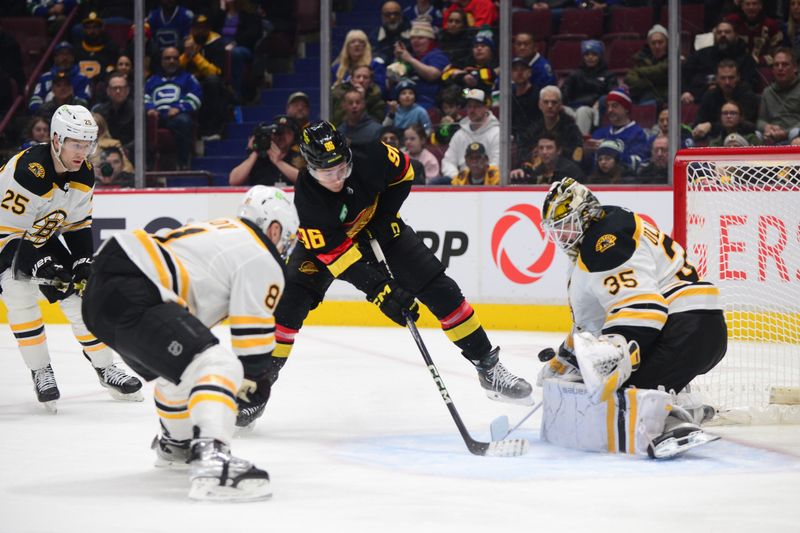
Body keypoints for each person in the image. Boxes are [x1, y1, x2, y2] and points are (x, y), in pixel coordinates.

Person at [266, 121, 533, 423]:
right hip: (327, 247)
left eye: (342, 167)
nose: (337, 177)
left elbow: (406, 172)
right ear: (310, 168)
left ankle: (488, 367)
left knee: (440, 288)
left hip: (378, 225)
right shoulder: (308, 201)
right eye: (328, 173)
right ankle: (258, 389)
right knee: (288, 307)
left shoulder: (372, 154)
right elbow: (341, 259)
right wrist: (380, 289)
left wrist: (384, 215)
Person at [82, 185, 299, 501]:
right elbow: (251, 337)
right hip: (134, 287)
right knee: (219, 364)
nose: (285, 251)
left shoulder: (224, 233)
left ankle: (177, 445)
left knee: (179, 375)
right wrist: (257, 377)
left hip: (104, 294)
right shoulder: (260, 252)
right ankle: (213, 460)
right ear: (274, 228)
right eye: (287, 241)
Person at [537, 178, 726, 457]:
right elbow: (593, 324)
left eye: (566, 226)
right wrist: (566, 358)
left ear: (586, 214)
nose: (562, 237)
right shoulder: (599, 239)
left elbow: (644, 311)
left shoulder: (604, 243)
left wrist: (612, 358)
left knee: (617, 390)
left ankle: (671, 420)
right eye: (557, 230)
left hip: (686, 327)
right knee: (611, 369)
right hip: (697, 326)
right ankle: (686, 400)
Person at [0, 104, 142, 411]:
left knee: (78, 298)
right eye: (75, 143)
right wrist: (40, 265)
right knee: (20, 295)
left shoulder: (84, 172)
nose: (83, 152)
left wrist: (82, 264)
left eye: (87, 143)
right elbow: (9, 235)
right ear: (55, 140)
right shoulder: (29, 172)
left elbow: (78, 226)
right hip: (5, 240)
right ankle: (41, 371)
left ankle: (105, 368)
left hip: (38, 236)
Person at [145, 46, 202, 169]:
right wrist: (150, 108)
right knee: (141, 123)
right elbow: (144, 97)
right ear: (161, 61)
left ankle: (183, 163)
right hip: (156, 116)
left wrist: (179, 108)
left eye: (175, 58)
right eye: (167, 58)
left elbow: (196, 98)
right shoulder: (152, 80)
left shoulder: (188, 78)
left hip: (177, 116)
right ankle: (147, 166)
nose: (171, 61)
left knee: (184, 121)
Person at [681, 21, 759, 105]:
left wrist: (721, 89)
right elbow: (683, 75)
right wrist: (685, 92)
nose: (723, 35)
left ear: (736, 35)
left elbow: (750, 84)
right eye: (719, 32)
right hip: (700, 100)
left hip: (736, 103)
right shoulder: (701, 55)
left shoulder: (746, 59)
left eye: (727, 32)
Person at [181, 14, 227, 140]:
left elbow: (215, 71)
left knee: (212, 81)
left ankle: (211, 130)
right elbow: (176, 67)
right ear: (192, 29)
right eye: (197, 27)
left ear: (209, 28)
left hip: (208, 82)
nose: (200, 30)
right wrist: (186, 54)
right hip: (188, 80)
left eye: (203, 27)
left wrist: (195, 56)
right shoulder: (186, 42)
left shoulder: (216, 43)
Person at [691, 59, 760, 142]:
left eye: (731, 78)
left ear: (738, 77)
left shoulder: (748, 96)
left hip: (743, 139)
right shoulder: (710, 95)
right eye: (723, 78)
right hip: (714, 139)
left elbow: (745, 126)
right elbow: (698, 122)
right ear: (716, 78)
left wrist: (711, 126)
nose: (727, 82)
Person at [440, 88, 499, 182]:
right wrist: (458, 179)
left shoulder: (497, 133)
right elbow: (448, 161)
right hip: (460, 183)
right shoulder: (460, 134)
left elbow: (497, 163)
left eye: (476, 106)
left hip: (489, 183)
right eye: (469, 106)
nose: (472, 110)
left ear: (485, 107)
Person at [518, 85, 583, 167]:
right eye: (546, 102)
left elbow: (576, 158)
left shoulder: (571, 129)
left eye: (554, 102)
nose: (550, 106)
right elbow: (522, 153)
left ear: (560, 105)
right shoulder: (532, 130)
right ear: (539, 105)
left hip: (563, 173)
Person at [390, 20, 449, 110]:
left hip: (428, 103)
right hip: (403, 103)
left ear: (430, 40)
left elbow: (433, 74)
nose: (415, 41)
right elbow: (391, 80)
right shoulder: (410, 55)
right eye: (413, 38)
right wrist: (398, 61)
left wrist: (410, 60)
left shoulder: (437, 55)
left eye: (420, 38)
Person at [588, 88, 649, 173]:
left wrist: (609, 149)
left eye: (615, 106)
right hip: (598, 182)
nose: (610, 110)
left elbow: (637, 163)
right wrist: (586, 151)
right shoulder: (599, 133)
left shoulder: (638, 133)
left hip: (624, 182)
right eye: (608, 106)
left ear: (626, 109)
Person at [229, 115, 303, 186]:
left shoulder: (298, 156)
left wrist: (278, 162)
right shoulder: (259, 157)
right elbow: (234, 181)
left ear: (294, 136)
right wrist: (256, 150)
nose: (281, 136)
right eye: (277, 133)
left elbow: (304, 181)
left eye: (287, 132)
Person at [562, 40, 614, 136]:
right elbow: (564, 93)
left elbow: (612, 94)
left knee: (583, 111)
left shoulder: (608, 75)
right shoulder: (575, 75)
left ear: (600, 56)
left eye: (594, 54)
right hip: (573, 108)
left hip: (593, 110)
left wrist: (600, 101)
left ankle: (579, 146)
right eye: (587, 54)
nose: (590, 57)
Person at [29, 41, 92, 112]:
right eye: (61, 54)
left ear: (73, 58)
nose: (64, 57)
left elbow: (84, 102)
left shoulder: (82, 78)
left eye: (68, 54)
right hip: (47, 115)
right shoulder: (45, 78)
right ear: (55, 58)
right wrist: (43, 110)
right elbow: (34, 101)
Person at [757, 48, 800, 144]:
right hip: (773, 136)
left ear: (795, 67)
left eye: (785, 64)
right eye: (776, 65)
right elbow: (761, 120)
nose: (780, 68)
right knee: (756, 135)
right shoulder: (767, 92)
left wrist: (786, 133)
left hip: (796, 136)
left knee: (795, 134)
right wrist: (766, 127)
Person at [725, 0, 784, 66]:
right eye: (747, 4)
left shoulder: (771, 25)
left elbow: (778, 52)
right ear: (742, 6)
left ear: (760, 6)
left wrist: (758, 60)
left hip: (763, 67)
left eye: (754, 4)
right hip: (734, 66)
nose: (751, 7)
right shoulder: (731, 21)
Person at [510, 132, 584, 185]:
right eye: (541, 148)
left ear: (558, 150)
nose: (544, 152)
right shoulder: (537, 170)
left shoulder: (570, 171)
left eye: (549, 148)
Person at [332, 30, 387, 97]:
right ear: (347, 47)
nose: (357, 45)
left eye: (361, 42)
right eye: (352, 42)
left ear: (366, 46)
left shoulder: (375, 65)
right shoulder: (337, 68)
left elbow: (381, 90)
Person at [624, 24, 669, 105]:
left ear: (667, 42)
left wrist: (641, 72)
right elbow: (629, 78)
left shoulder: (673, 58)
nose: (657, 46)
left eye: (660, 42)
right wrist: (652, 81)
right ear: (649, 44)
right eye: (653, 43)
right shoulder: (641, 57)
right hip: (639, 95)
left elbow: (663, 68)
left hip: (660, 98)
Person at [91, 71, 134, 149]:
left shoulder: (137, 112)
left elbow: (140, 140)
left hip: (130, 154)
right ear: (108, 91)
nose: (118, 91)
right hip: (102, 152)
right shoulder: (99, 112)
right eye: (114, 88)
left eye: (121, 88)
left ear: (127, 90)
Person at [510, 56, 542, 142]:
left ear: (530, 72)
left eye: (523, 69)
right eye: (515, 70)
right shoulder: (508, 96)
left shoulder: (538, 95)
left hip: (534, 138)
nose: (519, 73)